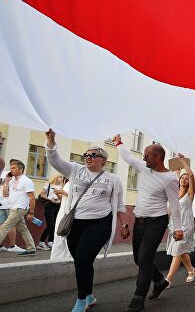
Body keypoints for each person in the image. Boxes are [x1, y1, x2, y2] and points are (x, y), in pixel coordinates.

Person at [45, 129, 129, 312]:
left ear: (103, 161)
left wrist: (124, 225)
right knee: (82, 261)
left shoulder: (113, 180)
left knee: (82, 258)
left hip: (100, 223)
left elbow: (121, 206)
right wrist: (51, 141)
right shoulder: (75, 170)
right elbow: (54, 160)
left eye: (94, 155)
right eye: (87, 154)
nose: (89, 157)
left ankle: (81, 299)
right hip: (75, 224)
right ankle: (89, 295)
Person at [113, 134, 183, 312]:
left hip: (156, 223)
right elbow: (128, 157)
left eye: (146, 156)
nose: (143, 159)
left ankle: (138, 299)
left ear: (157, 158)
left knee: (145, 259)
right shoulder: (144, 167)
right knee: (138, 258)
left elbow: (175, 205)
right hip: (139, 221)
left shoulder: (170, 179)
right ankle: (159, 280)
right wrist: (119, 143)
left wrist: (179, 228)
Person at [165, 154, 195, 285]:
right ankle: (191, 270)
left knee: (177, 251)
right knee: (182, 252)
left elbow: (191, 176)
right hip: (174, 225)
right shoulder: (174, 193)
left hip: (186, 226)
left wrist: (183, 162)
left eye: (186, 178)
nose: (184, 179)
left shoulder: (190, 194)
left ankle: (167, 280)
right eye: (182, 178)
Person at [0, 159, 37, 256]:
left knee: (5, 226)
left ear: (21, 169)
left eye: (13, 168)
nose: (11, 170)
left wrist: (31, 212)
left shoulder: (26, 181)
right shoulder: (12, 180)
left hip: (20, 208)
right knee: (23, 229)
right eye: (10, 168)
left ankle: (31, 248)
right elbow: (5, 194)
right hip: (13, 207)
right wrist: (7, 181)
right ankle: (31, 248)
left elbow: (32, 198)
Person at [37, 174, 66, 250]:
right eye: (60, 177)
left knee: (55, 224)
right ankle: (41, 242)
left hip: (58, 205)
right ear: (56, 177)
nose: (62, 179)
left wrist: (59, 200)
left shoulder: (63, 186)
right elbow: (42, 194)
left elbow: (63, 197)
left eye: (62, 178)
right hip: (49, 205)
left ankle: (50, 242)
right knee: (50, 224)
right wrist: (50, 199)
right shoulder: (49, 184)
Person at [0, 169, 19, 253]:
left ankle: (0, 245)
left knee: (2, 226)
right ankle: (12, 246)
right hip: (9, 205)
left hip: (2, 205)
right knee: (11, 225)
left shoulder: (3, 176)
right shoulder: (9, 176)